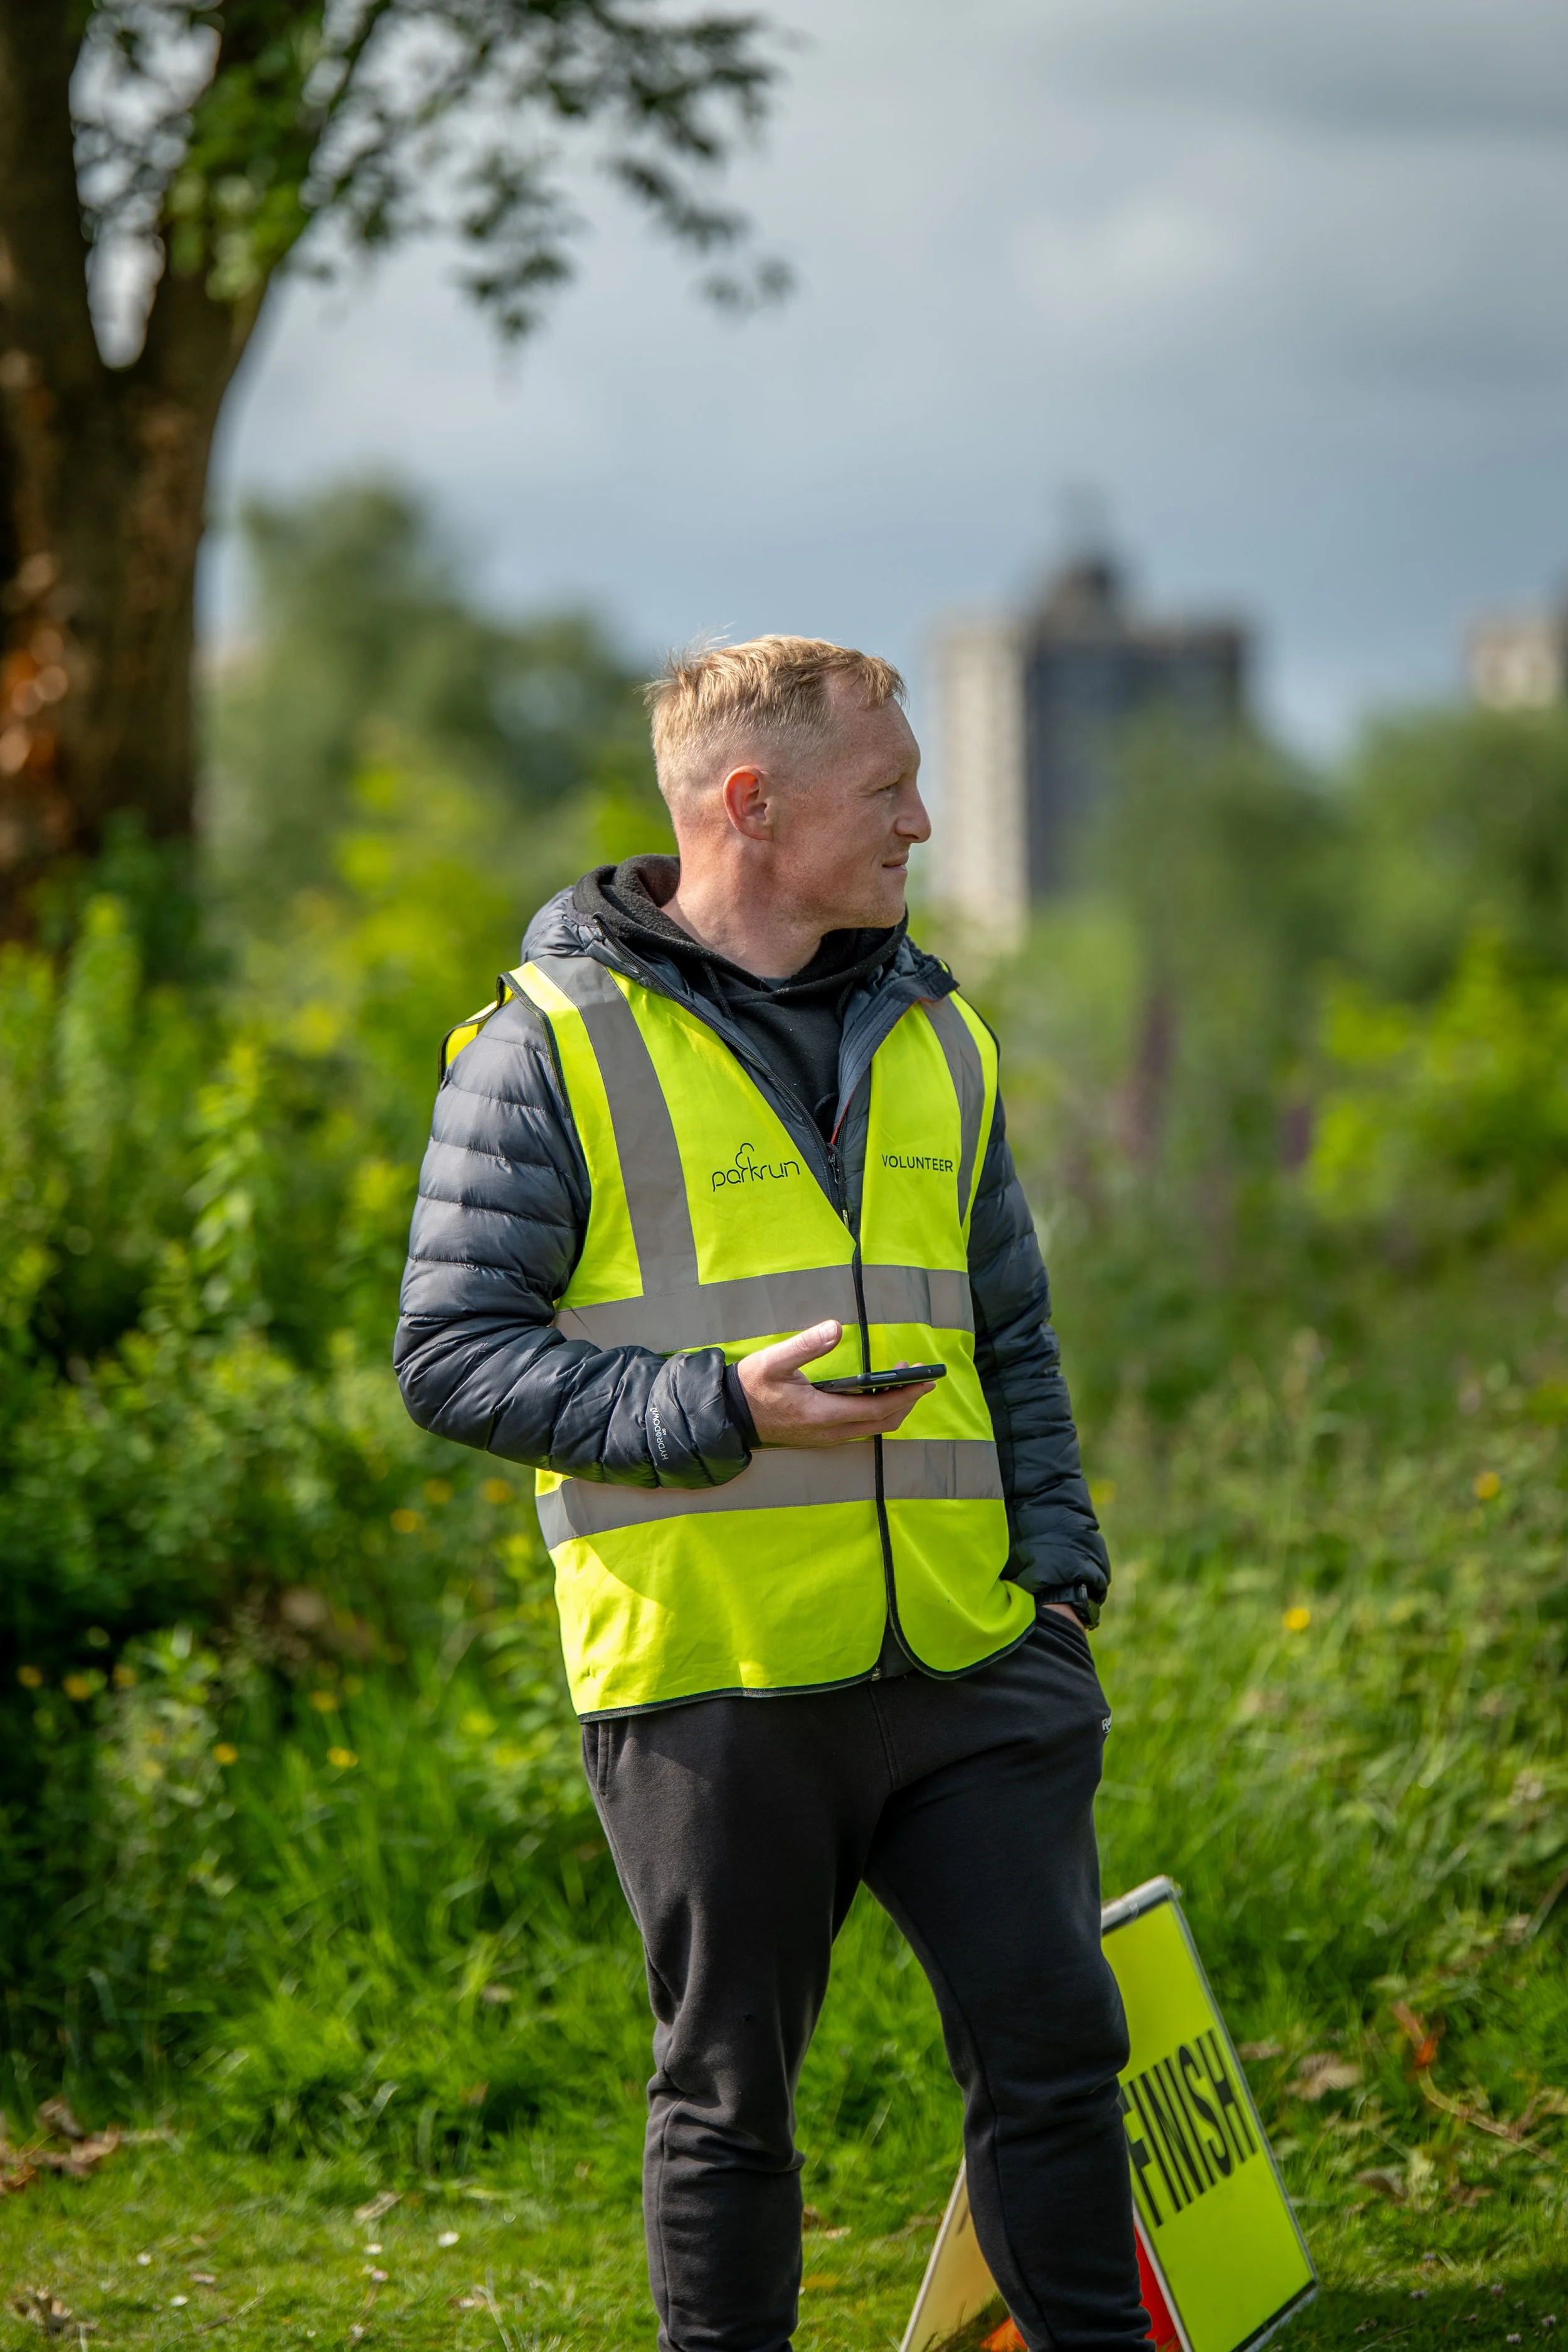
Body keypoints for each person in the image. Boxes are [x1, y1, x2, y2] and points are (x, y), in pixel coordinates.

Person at [395, 637, 1147, 2352]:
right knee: (727, 2104)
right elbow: (448, 1353)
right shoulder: (543, 1050)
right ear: (751, 803)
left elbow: (1008, 1330)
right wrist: (715, 1408)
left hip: (973, 1660)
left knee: (1057, 2056)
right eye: (886, 791)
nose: (924, 822)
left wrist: (1058, 1578)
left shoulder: (938, 1030)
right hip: (711, 1684)